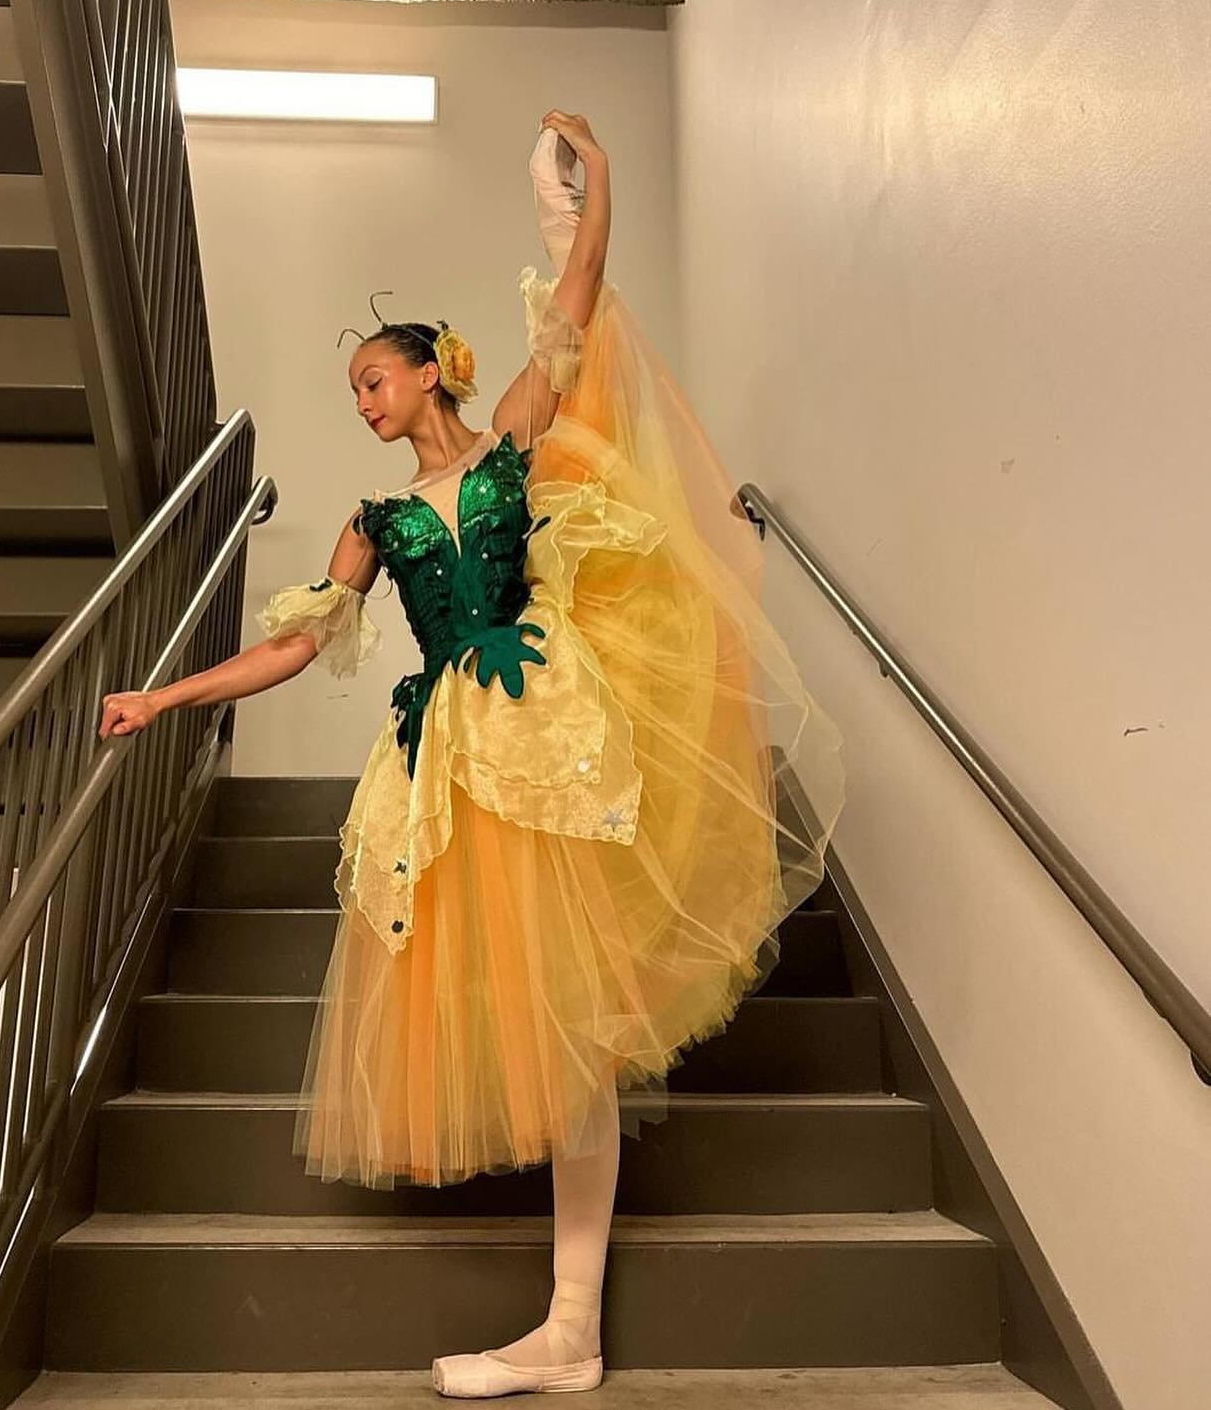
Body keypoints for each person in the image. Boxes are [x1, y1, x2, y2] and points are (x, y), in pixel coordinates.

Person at [99, 109, 846, 1397]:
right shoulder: (371, 519)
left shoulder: (509, 441)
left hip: (548, 734)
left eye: (375, 380)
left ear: (431, 371)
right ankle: (569, 1329)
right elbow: (300, 642)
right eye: (354, 396)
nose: (366, 404)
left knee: (583, 1026)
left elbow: (577, 300)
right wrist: (167, 699)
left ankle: (570, 1326)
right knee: (539, 1030)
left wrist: (591, 196)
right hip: (453, 767)